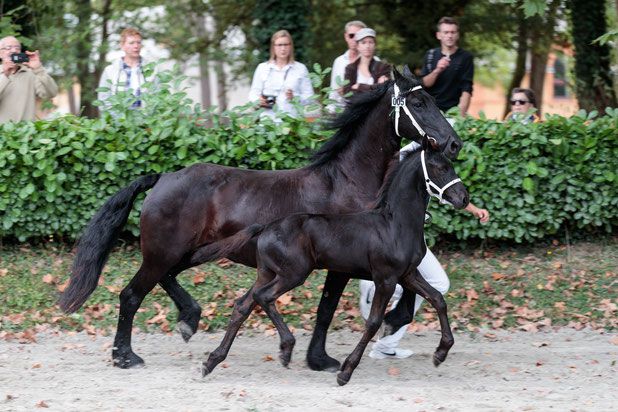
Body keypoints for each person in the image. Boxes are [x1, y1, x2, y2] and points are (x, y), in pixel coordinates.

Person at [360, 141, 490, 359]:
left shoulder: (430, 159)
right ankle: (373, 289)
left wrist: (474, 210)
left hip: (412, 239)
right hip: (393, 239)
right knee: (425, 283)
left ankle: (386, 343)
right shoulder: (405, 158)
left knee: (434, 284)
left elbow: (446, 186)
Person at [248, 30, 314, 119]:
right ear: (273, 47)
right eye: (279, 45)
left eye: (286, 45)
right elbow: (253, 94)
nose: (283, 48)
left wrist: (294, 97)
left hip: (292, 122)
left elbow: (310, 98)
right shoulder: (263, 68)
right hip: (267, 122)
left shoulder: (301, 69)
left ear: (291, 46)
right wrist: (258, 101)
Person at [420, 16, 473, 116]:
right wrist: (438, 70)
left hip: (452, 111)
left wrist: (459, 117)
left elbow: (467, 88)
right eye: (446, 32)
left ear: (458, 35)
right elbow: (425, 83)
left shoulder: (465, 57)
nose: (450, 36)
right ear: (438, 35)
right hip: (430, 111)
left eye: (453, 32)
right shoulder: (430, 55)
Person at [0, 36, 58, 123]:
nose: (13, 51)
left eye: (17, 48)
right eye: (8, 48)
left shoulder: (30, 74)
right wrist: (5, 75)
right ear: (0, 53)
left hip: (26, 134)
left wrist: (38, 69)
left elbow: (51, 93)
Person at [98, 27, 152, 110]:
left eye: (138, 42)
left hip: (146, 120)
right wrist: (117, 120)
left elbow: (159, 96)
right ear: (122, 46)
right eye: (131, 43)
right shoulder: (110, 71)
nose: (136, 46)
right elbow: (103, 100)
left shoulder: (152, 69)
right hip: (119, 121)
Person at [328, 20, 366, 110]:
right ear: (346, 37)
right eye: (351, 35)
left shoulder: (375, 62)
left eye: (359, 36)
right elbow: (332, 95)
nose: (355, 39)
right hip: (341, 112)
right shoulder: (339, 61)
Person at [343, 28, 391, 98]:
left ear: (375, 45)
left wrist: (360, 86)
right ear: (358, 46)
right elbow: (347, 93)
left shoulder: (383, 67)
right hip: (355, 107)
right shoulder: (350, 68)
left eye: (370, 42)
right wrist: (375, 87)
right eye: (363, 42)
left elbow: (385, 89)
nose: (367, 46)